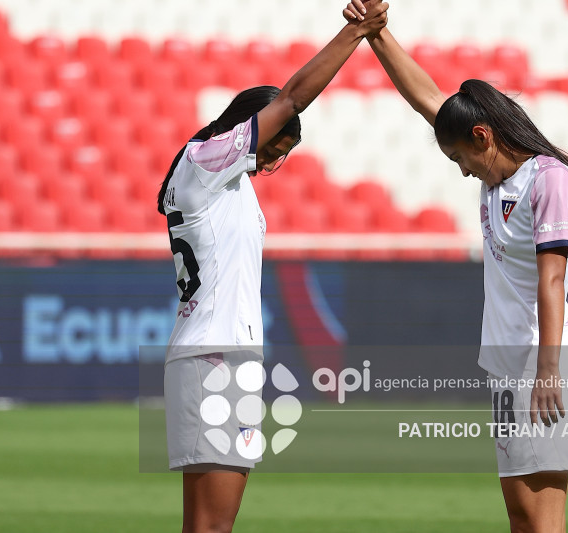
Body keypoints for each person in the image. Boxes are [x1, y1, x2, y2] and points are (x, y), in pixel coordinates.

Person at [343, 2, 568, 531]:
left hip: (542, 365)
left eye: (460, 157)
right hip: (509, 365)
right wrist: (377, 35)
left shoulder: (549, 179)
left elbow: (552, 279)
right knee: (518, 514)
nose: (462, 171)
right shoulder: (497, 180)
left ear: (484, 136)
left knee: (543, 518)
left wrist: (549, 369)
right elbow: (427, 99)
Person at [157, 3, 389, 532]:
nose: (271, 162)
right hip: (218, 356)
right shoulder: (208, 160)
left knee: (202, 525)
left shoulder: (212, 177)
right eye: (275, 148)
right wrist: (356, 31)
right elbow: (291, 96)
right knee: (215, 525)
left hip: (206, 352)